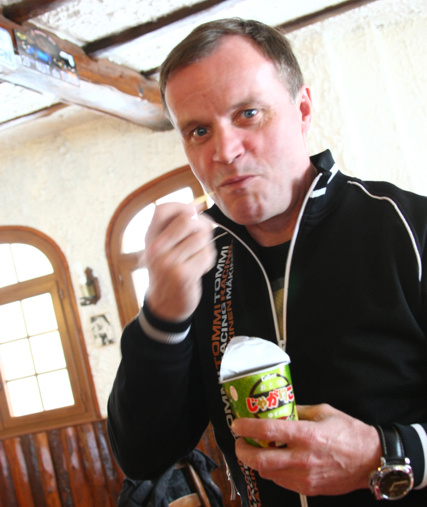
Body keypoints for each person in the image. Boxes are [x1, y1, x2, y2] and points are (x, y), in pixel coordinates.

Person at [107, 18, 427, 507]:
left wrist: (386, 454)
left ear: (303, 110)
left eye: (249, 113)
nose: (225, 151)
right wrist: (161, 317)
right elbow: (143, 455)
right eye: (199, 131)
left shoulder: (408, 229)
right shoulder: (194, 260)